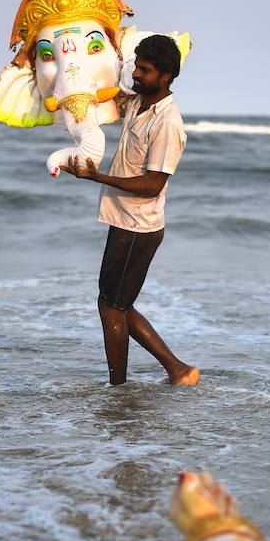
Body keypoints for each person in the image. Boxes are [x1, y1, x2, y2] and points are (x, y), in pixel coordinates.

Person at [63, 34, 200, 387]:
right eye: (136, 66)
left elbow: (153, 184)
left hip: (138, 227)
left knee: (111, 305)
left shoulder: (167, 122)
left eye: (145, 70)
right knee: (114, 303)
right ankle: (177, 370)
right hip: (123, 219)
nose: (136, 74)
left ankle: (119, 388)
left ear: (166, 76)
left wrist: (97, 177)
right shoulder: (138, 103)